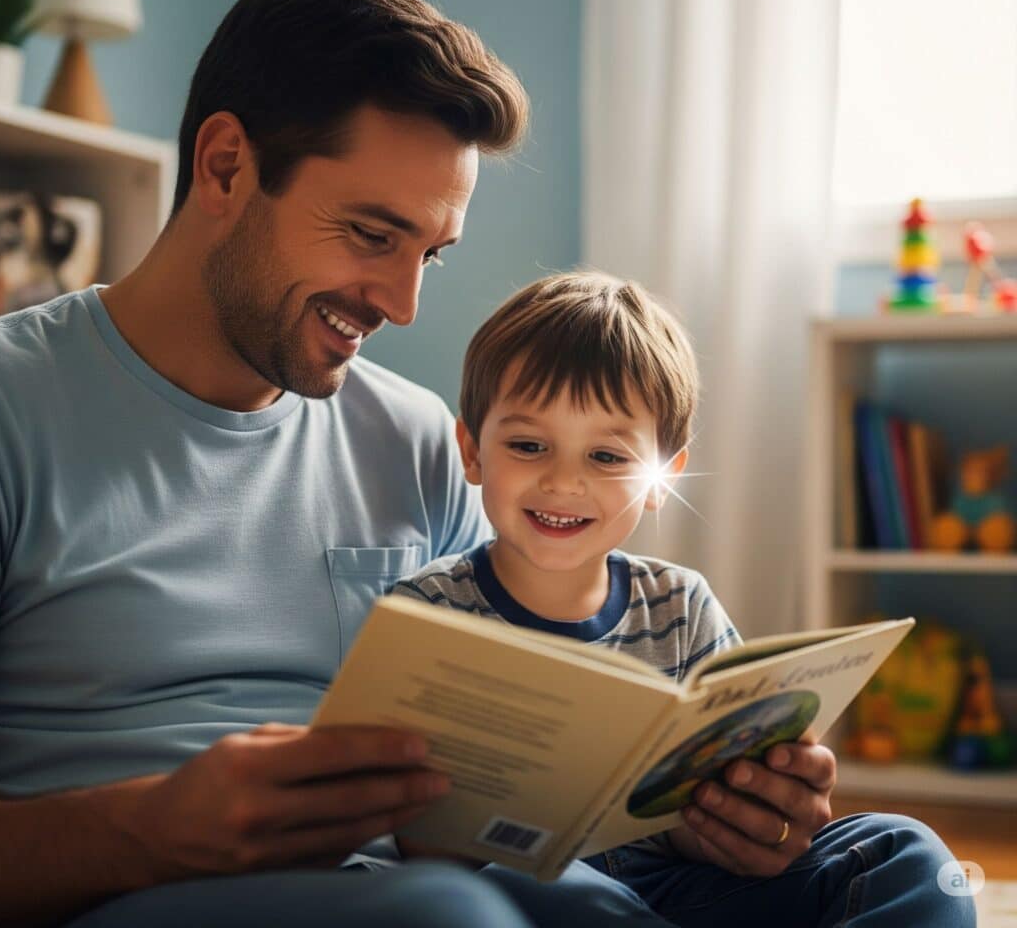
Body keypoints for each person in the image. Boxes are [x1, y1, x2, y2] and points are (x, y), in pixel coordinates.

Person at [0, 0, 674, 928]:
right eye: (370, 234)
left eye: (429, 255)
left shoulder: (416, 441)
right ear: (226, 165)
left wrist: (705, 804)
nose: (402, 304)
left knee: (879, 867)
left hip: (414, 875)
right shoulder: (10, 407)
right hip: (134, 893)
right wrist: (145, 829)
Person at [391, 271, 976, 928]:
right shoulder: (426, 612)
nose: (563, 480)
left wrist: (745, 811)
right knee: (539, 886)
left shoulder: (680, 604)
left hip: (688, 885)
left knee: (908, 854)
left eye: (608, 457)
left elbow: (716, 806)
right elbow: (414, 845)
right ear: (471, 450)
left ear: (663, 479)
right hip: (529, 894)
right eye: (528, 445)